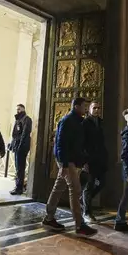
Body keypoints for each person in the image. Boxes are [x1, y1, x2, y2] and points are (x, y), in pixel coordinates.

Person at [42, 97, 98, 236]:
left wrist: (83, 160)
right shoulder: (67, 121)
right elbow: (60, 143)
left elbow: (78, 145)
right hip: (67, 161)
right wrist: (64, 165)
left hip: (72, 160)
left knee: (59, 187)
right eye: (85, 106)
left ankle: (49, 218)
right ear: (76, 107)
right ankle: (80, 225)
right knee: (76, 189)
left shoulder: (79, 121)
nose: (86, 108)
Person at [81, 101, 109, 222]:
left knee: (101, 183)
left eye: (99, 108)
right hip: (89, 159)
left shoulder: (101, 123)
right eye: (94, 108)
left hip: (100, 159)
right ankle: (87, 212)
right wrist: (84, 161)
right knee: (89, 185)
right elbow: (82, 143)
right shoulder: (85, 123)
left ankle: (83, 200)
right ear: (89, 109)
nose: (97, 110)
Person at [114, 109, 128, 232]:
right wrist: (127, 173)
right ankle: (119, 220)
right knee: (127, 195)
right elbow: (124, 156)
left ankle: (120, 220)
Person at [9, 104, 32, 195]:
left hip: (21, 147)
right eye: (17, 109)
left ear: (23, 109)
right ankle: (18, 186)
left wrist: (20, 146)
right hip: (17, 145)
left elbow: (25, 134)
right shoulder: (18, 119)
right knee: (18, 167)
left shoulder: (27, 119)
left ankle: (19, 188)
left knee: (20, 168)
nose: (17, 111)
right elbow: (15, 134)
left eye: (19, 109)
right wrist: (12, 144)